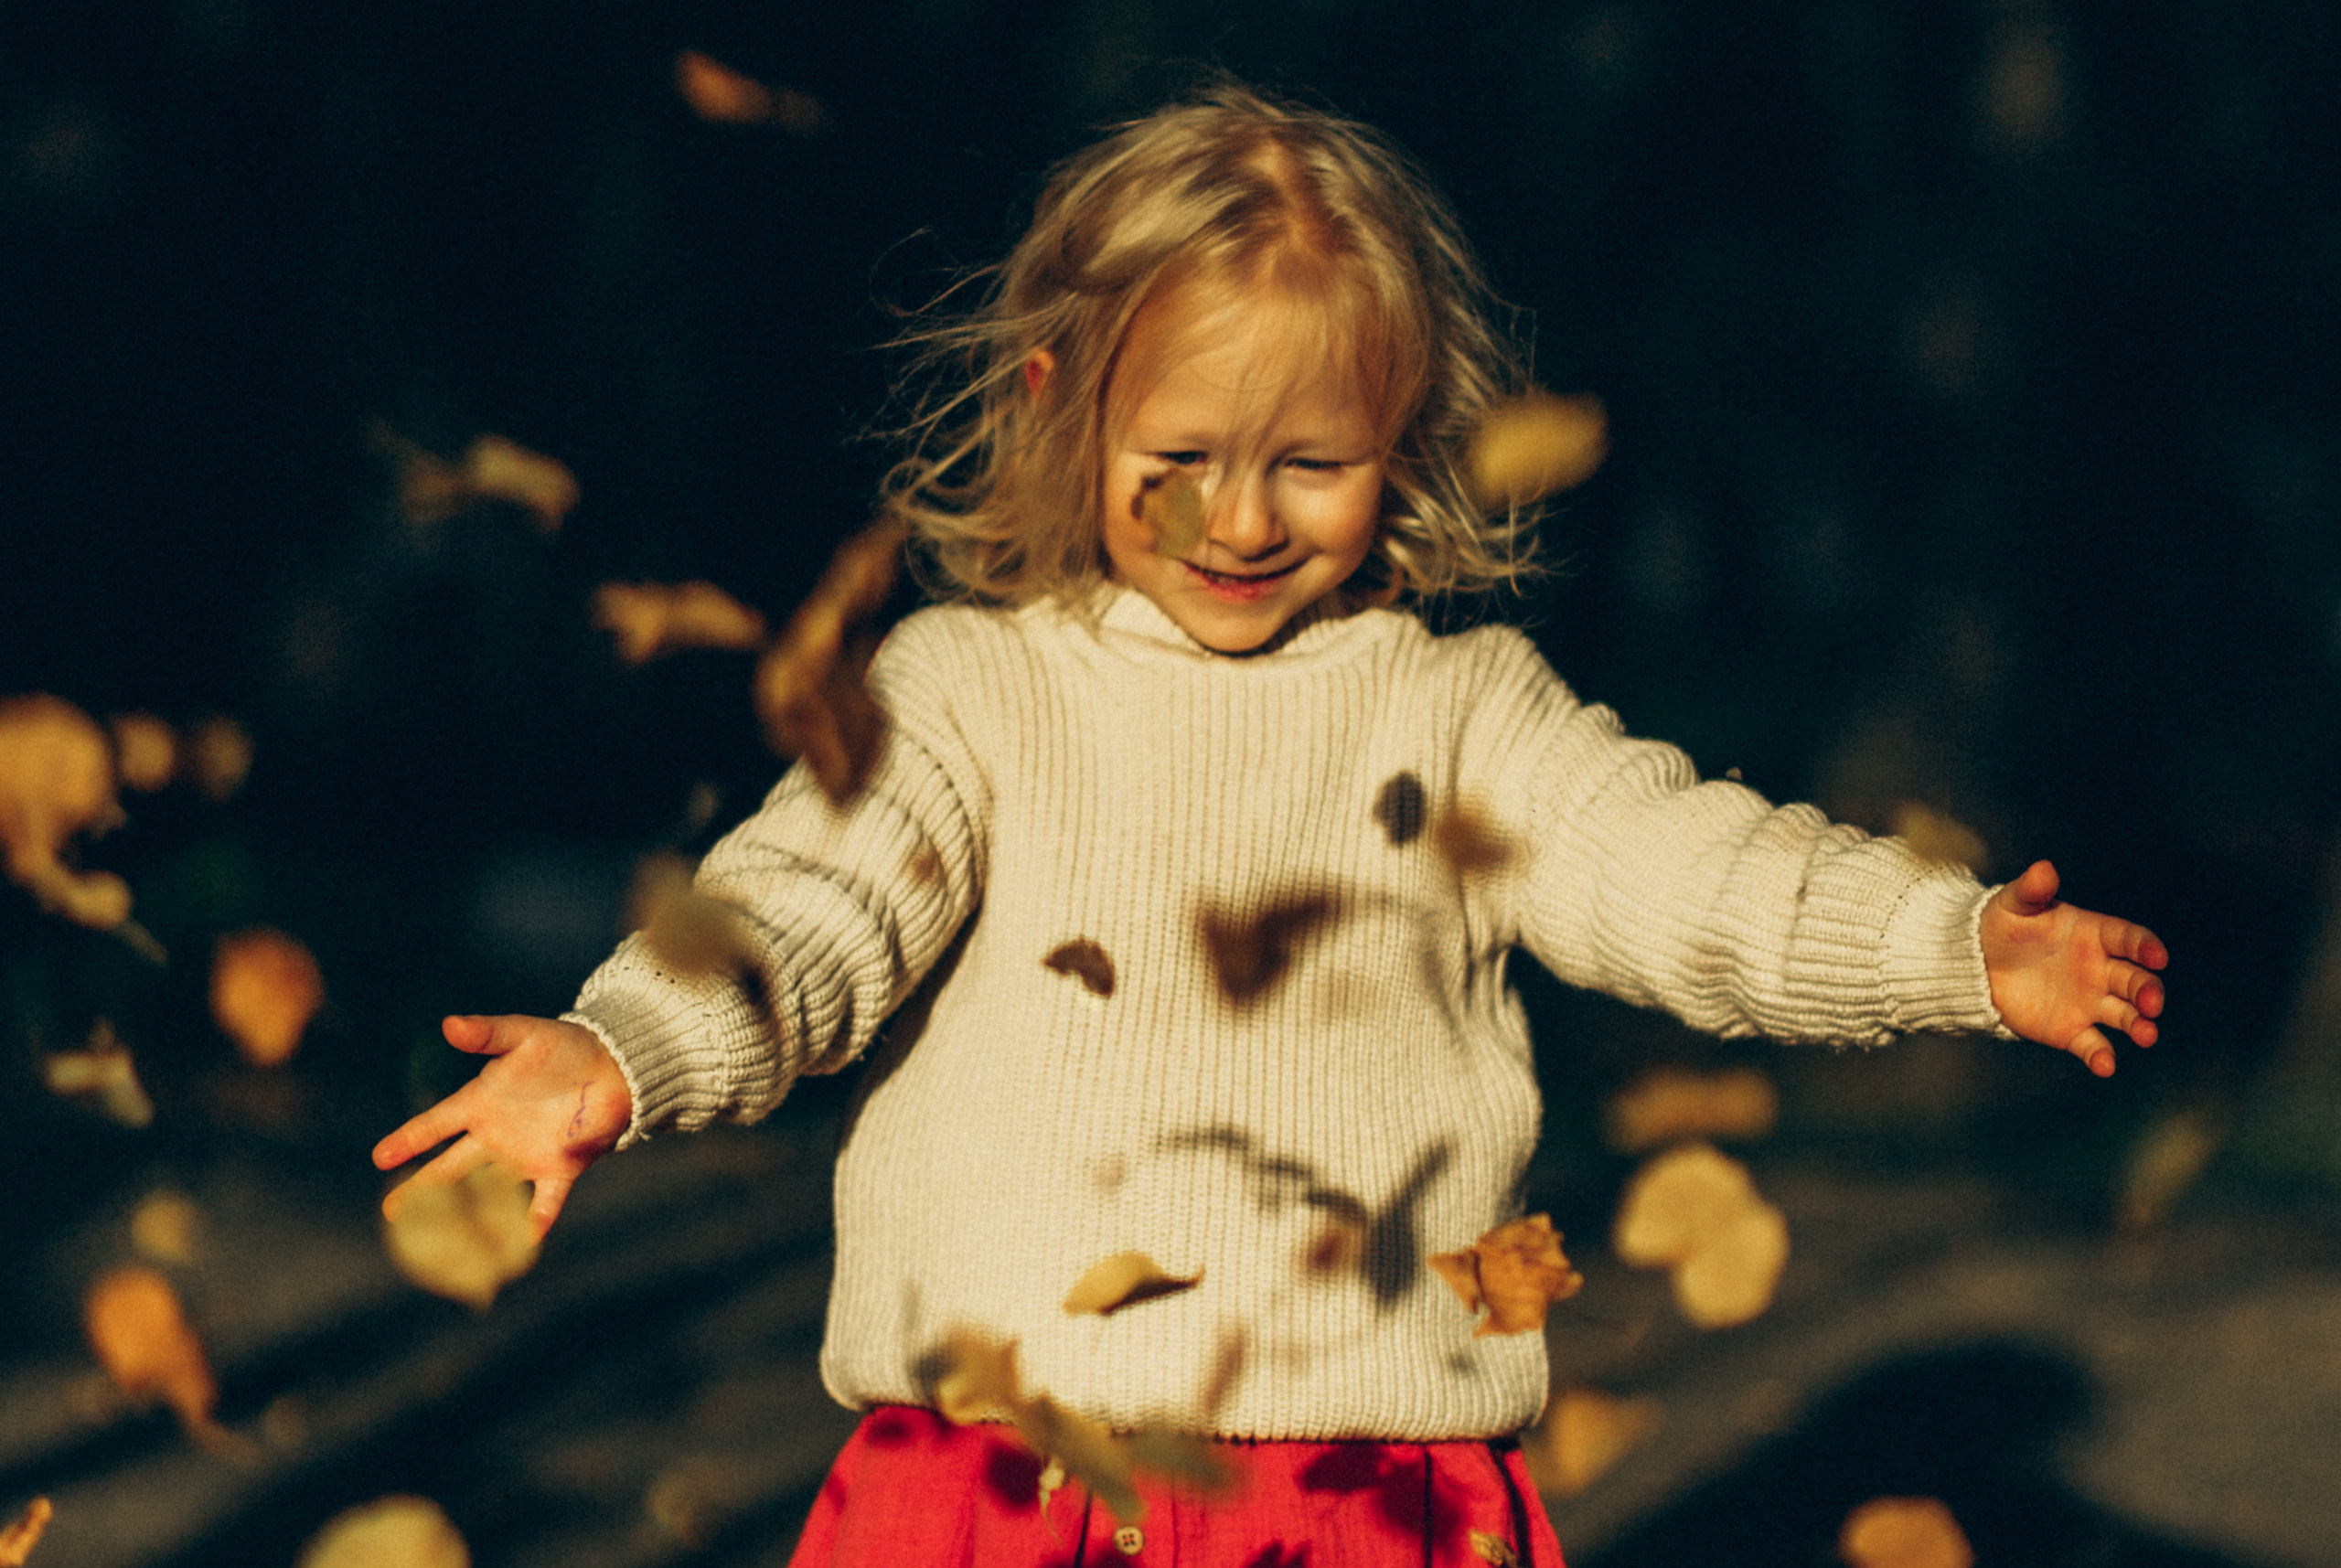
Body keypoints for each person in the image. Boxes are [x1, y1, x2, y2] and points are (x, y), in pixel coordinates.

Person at [372, 82, 2167, 1567]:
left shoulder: (1454, 713)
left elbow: (1677, 869)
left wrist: (1939, 945)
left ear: (1402, 441)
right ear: (1058, 406)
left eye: (1309, 460)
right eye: (1184, 451)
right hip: (1001, 1482)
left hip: (1348, 1495)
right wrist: (625, 1052)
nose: (1240, 515)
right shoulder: (972, 692)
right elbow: (807, 911)